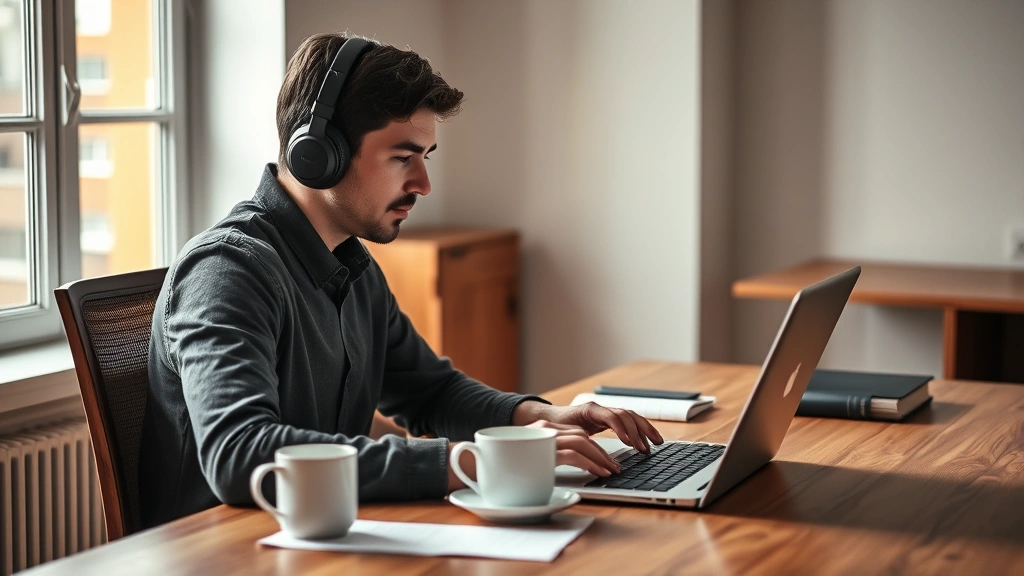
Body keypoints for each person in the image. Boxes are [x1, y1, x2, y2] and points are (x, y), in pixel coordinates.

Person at [138, 32, 663, 528]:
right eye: (402, 157)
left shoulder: (351, 265)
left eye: (426, 157)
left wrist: (534, 419)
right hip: (225, 551)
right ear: (318, 155)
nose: (424, 184)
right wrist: (473, 461)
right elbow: (241, 455)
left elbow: (428, 393)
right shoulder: (228, 271)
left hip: (322, 538)